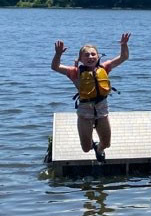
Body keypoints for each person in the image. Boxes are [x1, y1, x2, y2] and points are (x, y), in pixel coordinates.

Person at [51, 33, 131, 163]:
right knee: (86, 148)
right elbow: (55, 67)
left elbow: (124, 57)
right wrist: (58, 54)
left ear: (98, 56)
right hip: (84, 110)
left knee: (106, 143)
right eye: (86, 55)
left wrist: (124, 45)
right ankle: (92, 145)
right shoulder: (75, 72)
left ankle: (99, 149)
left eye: (93, 54)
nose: (90, 57)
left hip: (102, 109)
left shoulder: (104, 67)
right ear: (80, 59)